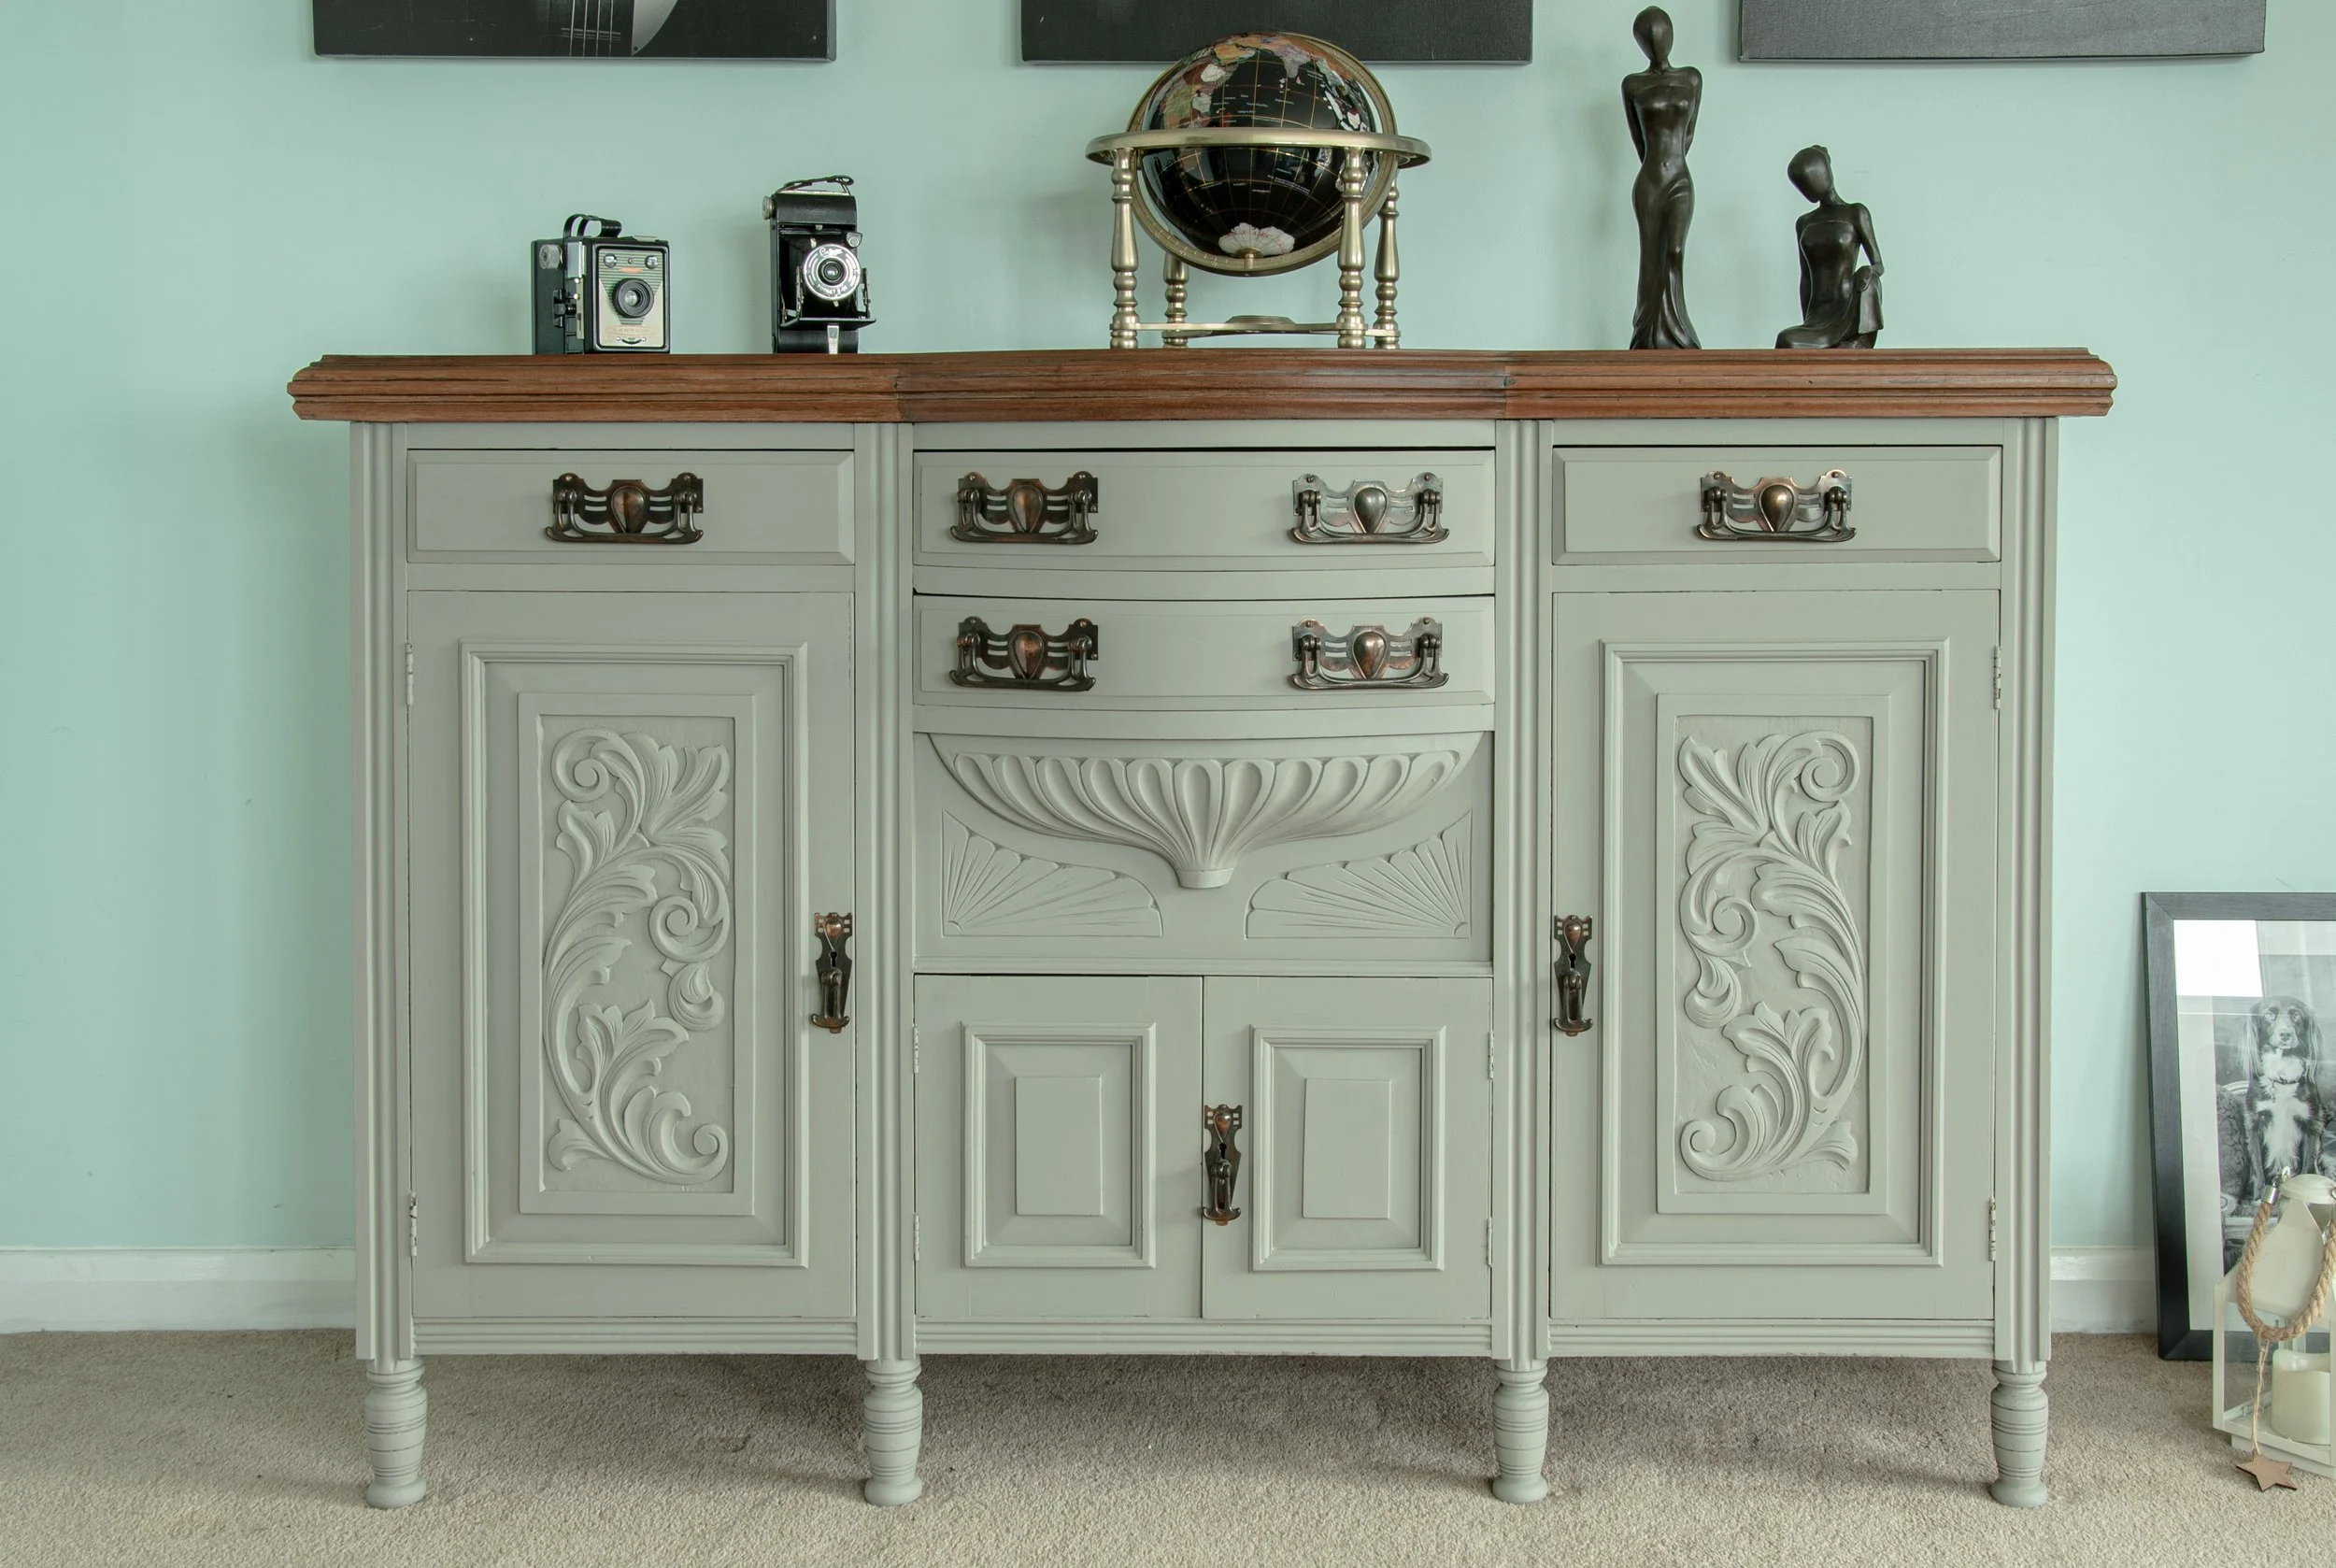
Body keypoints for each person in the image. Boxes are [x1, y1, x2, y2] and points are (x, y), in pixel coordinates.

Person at [1622, 7, 1702, 350]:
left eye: (1661, 33)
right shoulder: (1632, 84)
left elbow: (1689, 134)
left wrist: (1673, 162)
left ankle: (1678, 333)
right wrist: (1658, 164)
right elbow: (1639, 141)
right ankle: (1646, 334)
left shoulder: (1691, 78)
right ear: (1641, 43)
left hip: (1679, 178)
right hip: (1649, 181)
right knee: (1650, 257)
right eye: (1648, 37)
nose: (1656, 42)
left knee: (1675, 251)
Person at [1776, 146, 1885, 350]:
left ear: (1825, 172)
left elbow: (1878, 265)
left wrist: (1868, 271)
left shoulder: (1856, 213)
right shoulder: (1804, 222)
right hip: (1817, 316)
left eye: (1811, 177)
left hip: (1848, 307)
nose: (1808, 186)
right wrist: (1808, 322)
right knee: (1786, 340)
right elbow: (1806, 278)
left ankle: (1855, 340)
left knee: (1871, 281)